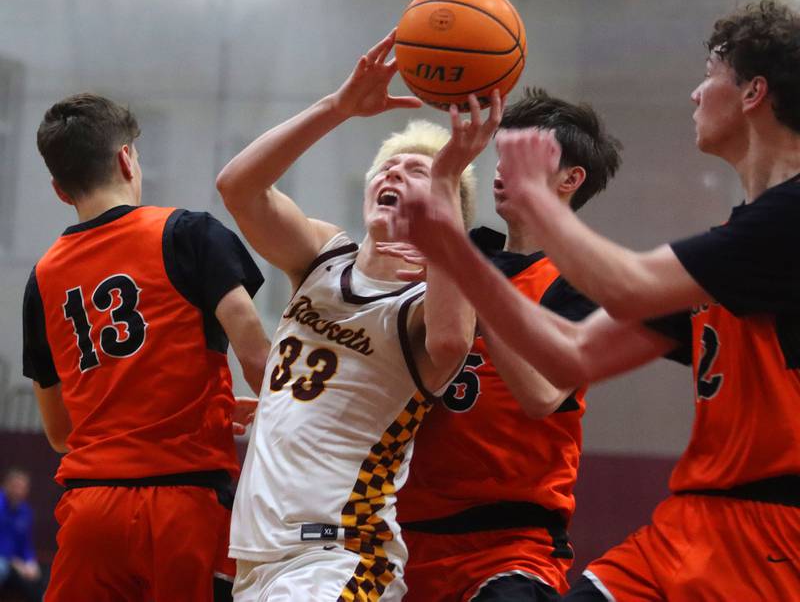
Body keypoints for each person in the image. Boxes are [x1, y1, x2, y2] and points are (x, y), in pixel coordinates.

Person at [392, 0, 800, 601]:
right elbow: (573, 355)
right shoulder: (736, 244)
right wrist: (454, 254)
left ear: (752, 93)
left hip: (771, 529)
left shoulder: (790, 221)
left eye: (709, 77)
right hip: (686, 526)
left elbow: (624, 287)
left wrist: (531, 204)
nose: (693, 95)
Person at [217, 30, 498, 601]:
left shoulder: (423, 304)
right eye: (388, 169)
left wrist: (446, 179)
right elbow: (239, 188)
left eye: (418, 172)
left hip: (340, 557)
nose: (395, 174)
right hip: (259, 561)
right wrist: (338, 107)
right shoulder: (322, 255)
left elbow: (450, 346)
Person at [22, 93, 270, 602]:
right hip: (187, 505)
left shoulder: (42, 279)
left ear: (58, 189)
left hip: (92, 512)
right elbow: (258, 355)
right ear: (126, 158)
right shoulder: (188, 233)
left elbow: (59, 432)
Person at [387, 88, 621, 602]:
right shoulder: (456, 257)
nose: (498, 170)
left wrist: (476, 283)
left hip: (509, 542)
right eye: (499, 155)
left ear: (569, 179)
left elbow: (541, 396)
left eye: (519, 158)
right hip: (398, 533)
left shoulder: (582, 280)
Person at [0, 469, 46, 601]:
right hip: (5, 560)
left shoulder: (26, 511)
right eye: (15, 486)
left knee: (38, 574)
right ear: (6, 485)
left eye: (22, 487)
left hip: (17, 563)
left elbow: (26, 544)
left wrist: (30, 561)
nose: (18, 491)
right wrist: (13, 561)